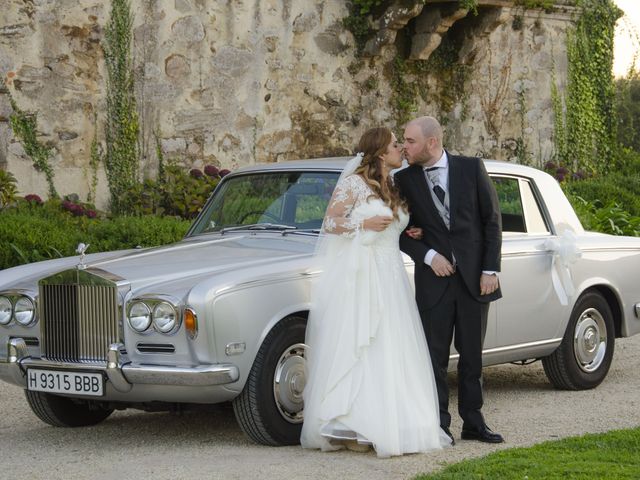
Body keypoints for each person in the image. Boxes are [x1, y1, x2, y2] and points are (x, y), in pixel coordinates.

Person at [300, 127, 451, 458]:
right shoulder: (354, 182)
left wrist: (407, 228)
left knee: (392, 346)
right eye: (396, 144)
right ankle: (350, 422)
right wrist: (362, 225)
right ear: (381, 152)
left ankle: (391, 422)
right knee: (363, 344)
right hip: (364, 276)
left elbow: (394, 229)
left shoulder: (395, 185)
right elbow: (330, 223)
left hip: (391, 276)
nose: (401, 148)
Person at [395, 116, 504, 444]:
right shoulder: (403, 180)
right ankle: (438, 426)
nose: (404, 146)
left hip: (475, 281)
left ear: (432, 142)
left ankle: (473, 422)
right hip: (434, 284)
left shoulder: (472, 169)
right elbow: (398, 232)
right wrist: (428, 256)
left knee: (472, 357)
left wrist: (490, 270)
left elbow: (492, 221)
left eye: (410, 141)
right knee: (434, 357)